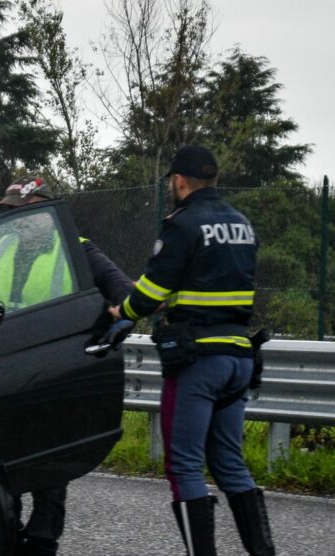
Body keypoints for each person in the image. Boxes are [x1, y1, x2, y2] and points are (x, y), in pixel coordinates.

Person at [111, 145, 274, 556]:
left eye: (171, 181)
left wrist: (122, 310)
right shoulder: (242, 223)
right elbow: (216, 284)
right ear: (214, 180)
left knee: (183, 466)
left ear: (179, 181)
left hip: (198, 361)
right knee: (230, 464)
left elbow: (150, 292)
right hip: (239, 355)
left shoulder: (183, 224)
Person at [0, 176, 132, 555]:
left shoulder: (77, 251)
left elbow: (124, 295)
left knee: (49, 467)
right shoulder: (1, 247)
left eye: (20, 211)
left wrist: (114, 322)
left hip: (53, 374)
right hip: (2, 373)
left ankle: (41, 542)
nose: (14, 220)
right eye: (9, 212)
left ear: (43, 209)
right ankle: (5, 532)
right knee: (2, 464)